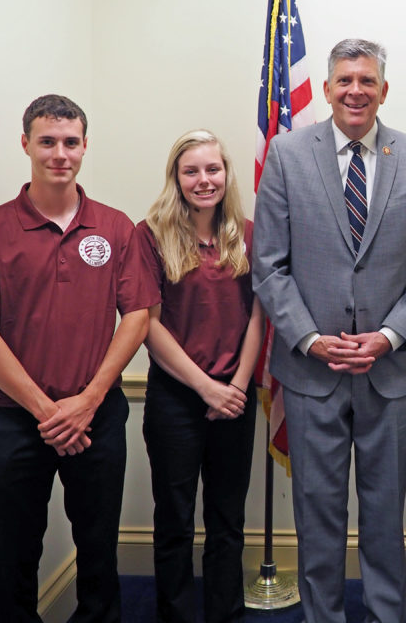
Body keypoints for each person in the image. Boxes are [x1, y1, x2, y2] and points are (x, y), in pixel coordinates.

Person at [252, 38, 406, 623]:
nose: (355, 91)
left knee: (385, 515)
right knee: (317, 515)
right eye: (344, 80)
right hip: (311, 372)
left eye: (367, 80)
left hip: (389, 373)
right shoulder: (288, 155)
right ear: (329, 88)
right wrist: (310, 339)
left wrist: (388, 336)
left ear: (383, 90)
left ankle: (388, 616)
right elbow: (269, 265)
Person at [0, 94, 155, 622]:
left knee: (99, 553)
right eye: (46, 142)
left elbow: (136, 316)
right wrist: (50, 411)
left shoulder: (114, 227)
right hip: (16, 423)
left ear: (85, 147)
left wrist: (87, 400)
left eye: (70, 142)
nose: (59, 153)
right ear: (26, 145)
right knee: (15, 560)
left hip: (97, 417)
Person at [135, 130, 265, 623]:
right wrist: (205, 386)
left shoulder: (249, 234)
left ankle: (225, 614)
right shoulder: (148, 235)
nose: (203, 180)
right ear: (176, 178)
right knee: (174, 520)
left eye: (212, 169)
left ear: (227, 174)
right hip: (175, 398)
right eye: (191, 171)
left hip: (236, 395)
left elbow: (259, 315)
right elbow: (147, 323)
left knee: (228, 520)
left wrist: (234, 386)